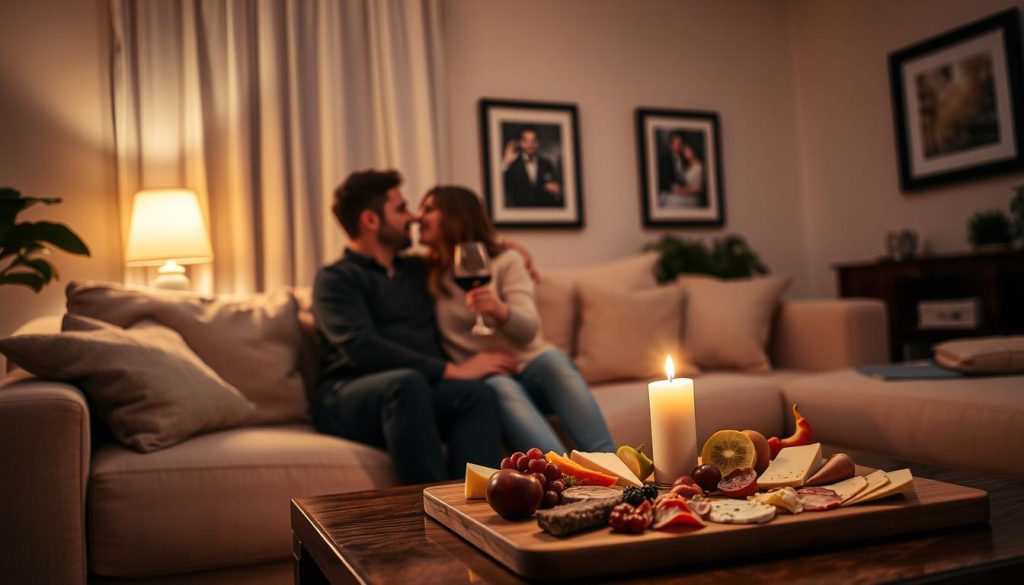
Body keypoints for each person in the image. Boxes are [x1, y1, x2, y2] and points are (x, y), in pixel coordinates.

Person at [312, 170, 516, 484]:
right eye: (401, 208)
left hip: (417, 392)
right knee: (406, 384)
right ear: (370, 220)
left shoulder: (417, 270)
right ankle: (435, 506)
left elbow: (468, 251)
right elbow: (361, 346)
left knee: (477, 395)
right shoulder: (336, 279)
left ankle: (476, 507)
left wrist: (510, 250)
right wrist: (451, 369)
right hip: (350, 395)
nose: (413, 217)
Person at [417, 185, 615, 455]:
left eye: (428, 209)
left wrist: (500, 311)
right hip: (490, 377)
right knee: (499, 385)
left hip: (532, 366)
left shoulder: (506, 261)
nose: (418, 217)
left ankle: (613, 467)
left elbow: (529, 329)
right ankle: (563, 477)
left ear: (456, 215)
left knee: (554, 362)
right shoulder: (424, 272)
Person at [502, 126, 563, 208]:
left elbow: (557, 191)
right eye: (526, 141)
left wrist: (558, 192)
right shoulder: (512, 164)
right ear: (520, 142)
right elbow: (501, 189)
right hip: (517, 213)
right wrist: (505, 163)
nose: (530, 144)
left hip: (543, 213)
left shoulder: (546, 164)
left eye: (533, 140)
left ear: (538, 143)